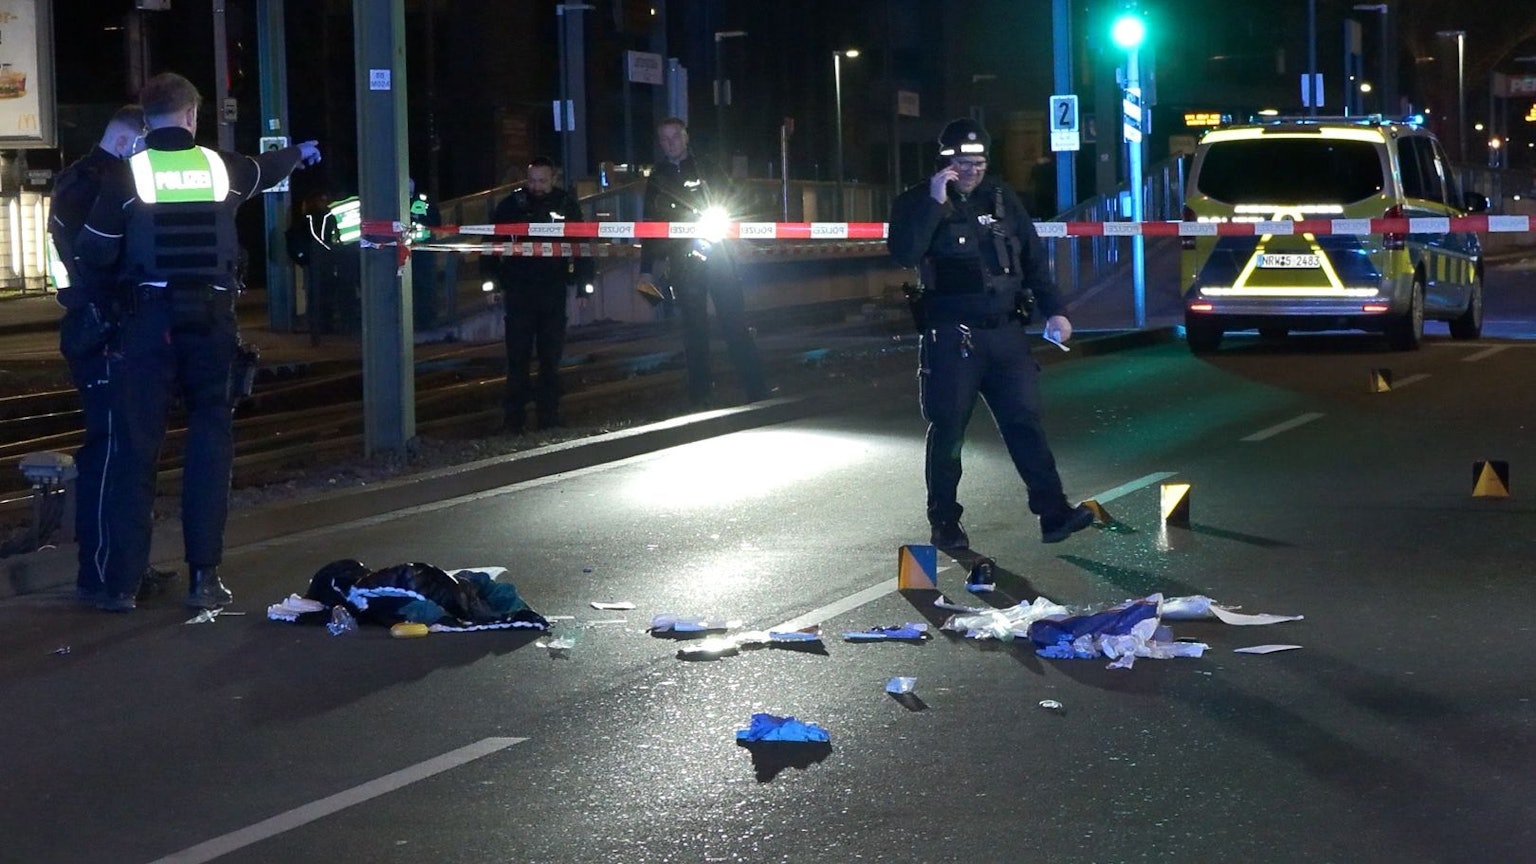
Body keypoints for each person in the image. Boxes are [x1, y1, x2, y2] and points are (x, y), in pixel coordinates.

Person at [74, 72, 321, 611]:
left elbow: (93, 252)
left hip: (147, 326)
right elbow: (267, 168)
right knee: (210, 444)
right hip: (211, 324)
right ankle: (204, 579)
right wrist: (300, 151)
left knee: (134, 452)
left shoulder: (125, 176)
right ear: (191, 115)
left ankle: (120, 586)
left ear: (147, 116)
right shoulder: (221, 168)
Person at [886, 117, 1093, 549]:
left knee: (1025, 423)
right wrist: (935, 202)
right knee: (949, 432)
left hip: (1005, 335)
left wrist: (1056, 310)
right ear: (946, 162)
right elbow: (905, 253)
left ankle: (1053, 513)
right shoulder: (915, 201)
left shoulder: (1001, 199)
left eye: (978, 162)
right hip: (952, 337)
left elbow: (1033, 258)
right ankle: (944, 522)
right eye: (963, 162)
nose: (972, 170)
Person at [47, 104, 175, 606]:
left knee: (127, 448)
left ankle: (125, 566)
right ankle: (105, 574)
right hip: (103, 332)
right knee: (109, 451)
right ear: (129, 143)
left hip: (102, 328)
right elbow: (96, 263)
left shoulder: (80, 180)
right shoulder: (99, 184)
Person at [636, 117, 768, 407]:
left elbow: (732, 203)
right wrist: (646, 270)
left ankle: (756, 388)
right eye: (664, 139)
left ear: (686, 137)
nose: (670, 143)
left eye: (674, 136)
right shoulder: (658, 177)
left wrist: (740, 238)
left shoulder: (707, 168)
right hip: (683, 264)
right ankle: (700, 395)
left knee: (734, 323)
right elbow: (651, 226)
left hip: (718, 258)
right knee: (694, 330)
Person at [483, 156, 593, 432]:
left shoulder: (565, 204)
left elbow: (581, 245)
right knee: (517, 359)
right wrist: (492, 283)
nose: (537, 186)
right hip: (519, 291)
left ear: (553, 179)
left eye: (542, 181)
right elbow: (491, 244)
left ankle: (549, 417)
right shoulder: (511, 206)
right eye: (532, 180)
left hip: (552, 290)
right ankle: (514, 420)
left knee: (550, 358)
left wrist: (583, 285)